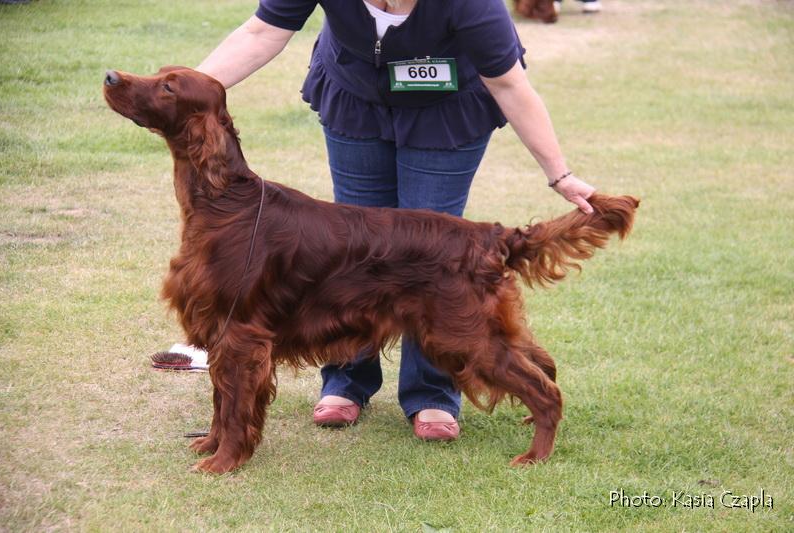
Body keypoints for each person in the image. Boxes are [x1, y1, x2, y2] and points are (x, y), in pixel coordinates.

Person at [195, 0, 596, 441]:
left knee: (435, 259)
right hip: (357, 98)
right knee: (348, 252)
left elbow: (508, 85)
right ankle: (347, 381)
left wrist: (559, 174)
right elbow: (261, 32)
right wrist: (182, 92)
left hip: (446, 109)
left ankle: (432, 394)